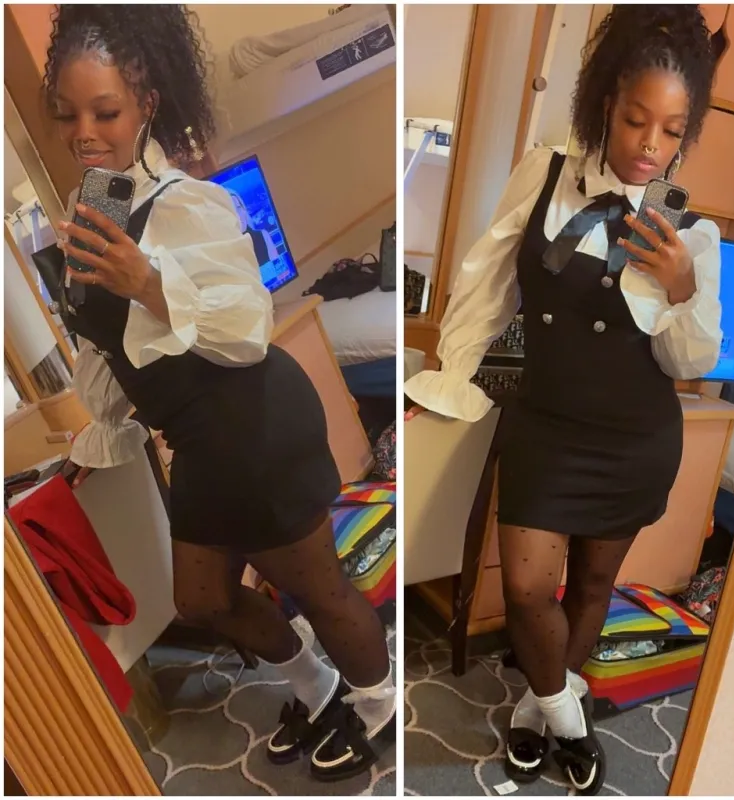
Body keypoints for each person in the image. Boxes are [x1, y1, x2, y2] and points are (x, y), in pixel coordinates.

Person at [46, 4, 394, 782]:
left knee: (318, 586)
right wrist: (100, 432)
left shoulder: (187, 205)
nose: (84, 133)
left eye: (105, 111)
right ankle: (320, 686)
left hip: (252, 428)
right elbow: (103, 340)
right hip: (198, 441)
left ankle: (379, 704)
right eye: (68, 114)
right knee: (201, 599)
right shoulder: (92, 205)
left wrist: (150, 282)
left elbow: (244, 332)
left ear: (147, 104)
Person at [404, 5, 720, 794]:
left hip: (635, 439)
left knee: (590, 588)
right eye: (637, 119)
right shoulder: (544, 173)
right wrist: (450, 380)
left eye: (672, 131)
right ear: (607, 102)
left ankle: (538, 708)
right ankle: (568, 719)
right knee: (524, 589)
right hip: (545, 427)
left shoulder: (691, 232)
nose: (651, 146)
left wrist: (682, 289)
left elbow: (690, 360)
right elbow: (486, 283)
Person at [228, 188, 280, 266]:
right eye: (232, 211)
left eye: (239, 208)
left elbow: (280, 268)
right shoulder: (227, 250)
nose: (239, 216)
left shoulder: (263, 235)